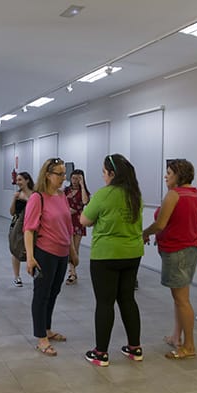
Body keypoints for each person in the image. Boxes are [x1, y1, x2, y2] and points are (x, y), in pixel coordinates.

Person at [142, 159, 197, 360]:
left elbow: (160, 224)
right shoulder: (196, 194)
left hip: (177, 251)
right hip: (190, 249)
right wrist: (188, 221)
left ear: (178, 176)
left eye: (169, 173)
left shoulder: (174, 195)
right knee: (180, 298)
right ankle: (176, 336)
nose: (166, 176)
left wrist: (144, 233)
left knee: (182, 300)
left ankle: (189, 346)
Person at [80, 154, 144, 367]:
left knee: (105, 303)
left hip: (106, 255)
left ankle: (100, 353)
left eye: (104, 172)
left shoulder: (104, 194)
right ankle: (135, 348)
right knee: (128, 300)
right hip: (132, 253)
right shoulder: (135, 194)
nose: (103, 176)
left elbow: (85, 220)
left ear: (112, 174)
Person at [24, 158, 78, 356]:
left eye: (64, 174)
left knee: (54, 292)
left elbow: (68, 227)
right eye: (60, 174)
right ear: (47, 175)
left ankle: (47, 329)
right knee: (41, 295)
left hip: (62, 253)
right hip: (45, 254)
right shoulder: (37, 198)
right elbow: (29, 229)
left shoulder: (62, 196)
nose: (64, 178)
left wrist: (72, 251)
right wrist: (30, 257)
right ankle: (41, 337)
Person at [64, 169, 91, 285]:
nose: (74, 181)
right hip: (66, 220)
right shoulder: (66, 190)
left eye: (77, 178)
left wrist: (82, 185)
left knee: (75, 248)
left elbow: (85, 202)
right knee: (68, 247)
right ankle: (72, 272)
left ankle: (72, 272)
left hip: (78, 221)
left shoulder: (83, 192)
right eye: (73, 178)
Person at [9, 171, 34, 287]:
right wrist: (14, 199)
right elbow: (12, 212)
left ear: (27, 180)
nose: (18, 182)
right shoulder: (18, 194)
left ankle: (34, 273)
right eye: (17, 180)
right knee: (15, 250)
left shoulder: (35, 195)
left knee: (33, 249)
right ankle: (17, 276)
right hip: (16, 225)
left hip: (31, 225)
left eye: (20, 180)